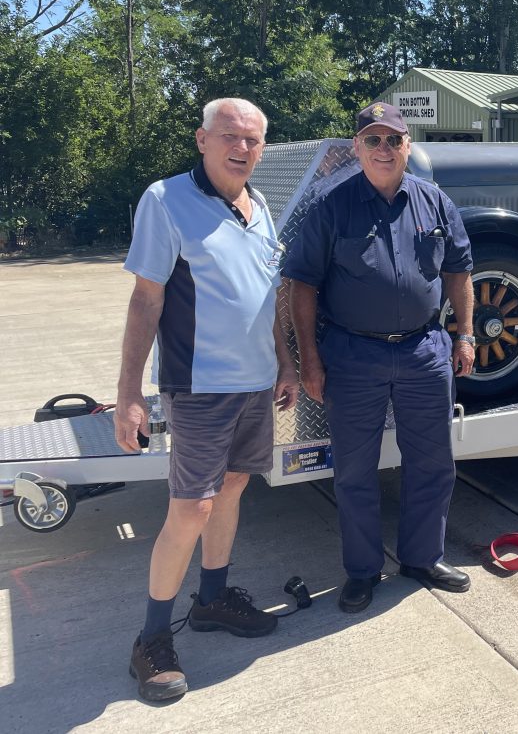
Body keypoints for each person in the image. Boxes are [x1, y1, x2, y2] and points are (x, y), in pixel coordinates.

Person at [115, 97, 299, 702]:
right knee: (190, 508)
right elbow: (146, 301)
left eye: (252, 139)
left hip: (256, 385)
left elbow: (268, 298)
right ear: (202, 139)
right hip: (199, 388)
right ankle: (151, 640)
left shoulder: (261, 205)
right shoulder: (166, 201)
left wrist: (287, 364)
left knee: (235, 488)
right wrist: (128, 396)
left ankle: (214, 598)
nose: (241, 148)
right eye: (229, 136)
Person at [283, 101, 475, 613]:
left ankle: (421, 558)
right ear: (357, 149)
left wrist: (466, 336)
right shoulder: (333, 206)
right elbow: (301, 284)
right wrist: (310, 362)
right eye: (373, 140)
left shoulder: (435, 202)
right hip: (352, 355)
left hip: (425, 351)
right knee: (353, 470)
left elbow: (458, 273)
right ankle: (363, 571)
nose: (384, 149)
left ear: (409, 145)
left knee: (433, 463)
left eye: (394, 139)